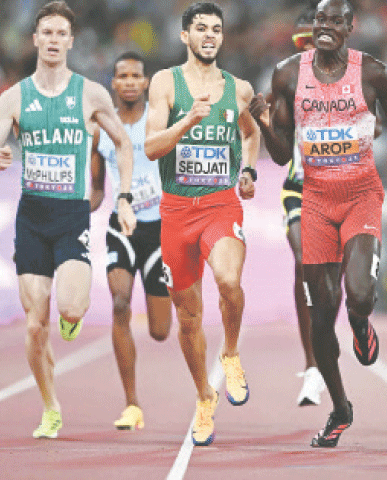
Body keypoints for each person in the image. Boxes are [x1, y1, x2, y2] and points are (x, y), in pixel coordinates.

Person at [249, 0, 387, 448]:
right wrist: (263, 122)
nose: (325, 28)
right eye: (319, 21)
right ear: (310, 29)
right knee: (322, 315)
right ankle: (341, 407)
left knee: (359, 295)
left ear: (350, 28)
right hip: (317, 200)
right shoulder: (287, 74)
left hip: (362, 195)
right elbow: (284, 155)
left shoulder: (374, 73)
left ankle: (361, 323)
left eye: (334, 22)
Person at [0, 0, 136, 439]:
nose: (52, 40)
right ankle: (50, 408)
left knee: (70, 307)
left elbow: (122, 145)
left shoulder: (90, 94)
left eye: (60, 33)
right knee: (33, 324)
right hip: (32, 215)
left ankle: (71, 314)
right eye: (45, 32)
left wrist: (123, 197)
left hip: (71, 216)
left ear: (69, 41)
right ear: (34, 39)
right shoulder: (13, 97)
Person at [144, 2, 260, 447]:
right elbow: (153, 146)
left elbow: (249, 133)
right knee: (188, 319)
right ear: (184, 36)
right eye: (200, 28)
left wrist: (248, 170)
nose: (209, 35)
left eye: (216, 29)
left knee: (229, 280)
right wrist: (187, 120)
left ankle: (230, 352)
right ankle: (203, 396)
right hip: (175, 212)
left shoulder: (239, 89)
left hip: (220, 206)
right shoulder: (165, 84)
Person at [91, 52, 173, 430]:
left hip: (160, 231)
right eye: (121, 75)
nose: (128, 81)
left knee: (160, 332)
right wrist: (71, 211)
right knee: (120, 304)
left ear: (145, 82)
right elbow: (95, 191)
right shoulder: (101, 129)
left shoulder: (160, 120)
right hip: (121, 228)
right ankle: (132, 404)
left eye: (135, 76)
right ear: (113, 82)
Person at [283, 3, 326, 407]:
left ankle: (334, 334)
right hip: (299, 186)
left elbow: (379, 124)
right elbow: (279, 147)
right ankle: (313, 364)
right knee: (303, 263)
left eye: (312, 41)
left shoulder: (356, 76)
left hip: (344, 188)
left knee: (336, 280)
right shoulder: (285, 78)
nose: (307, 52)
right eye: (299, 44)